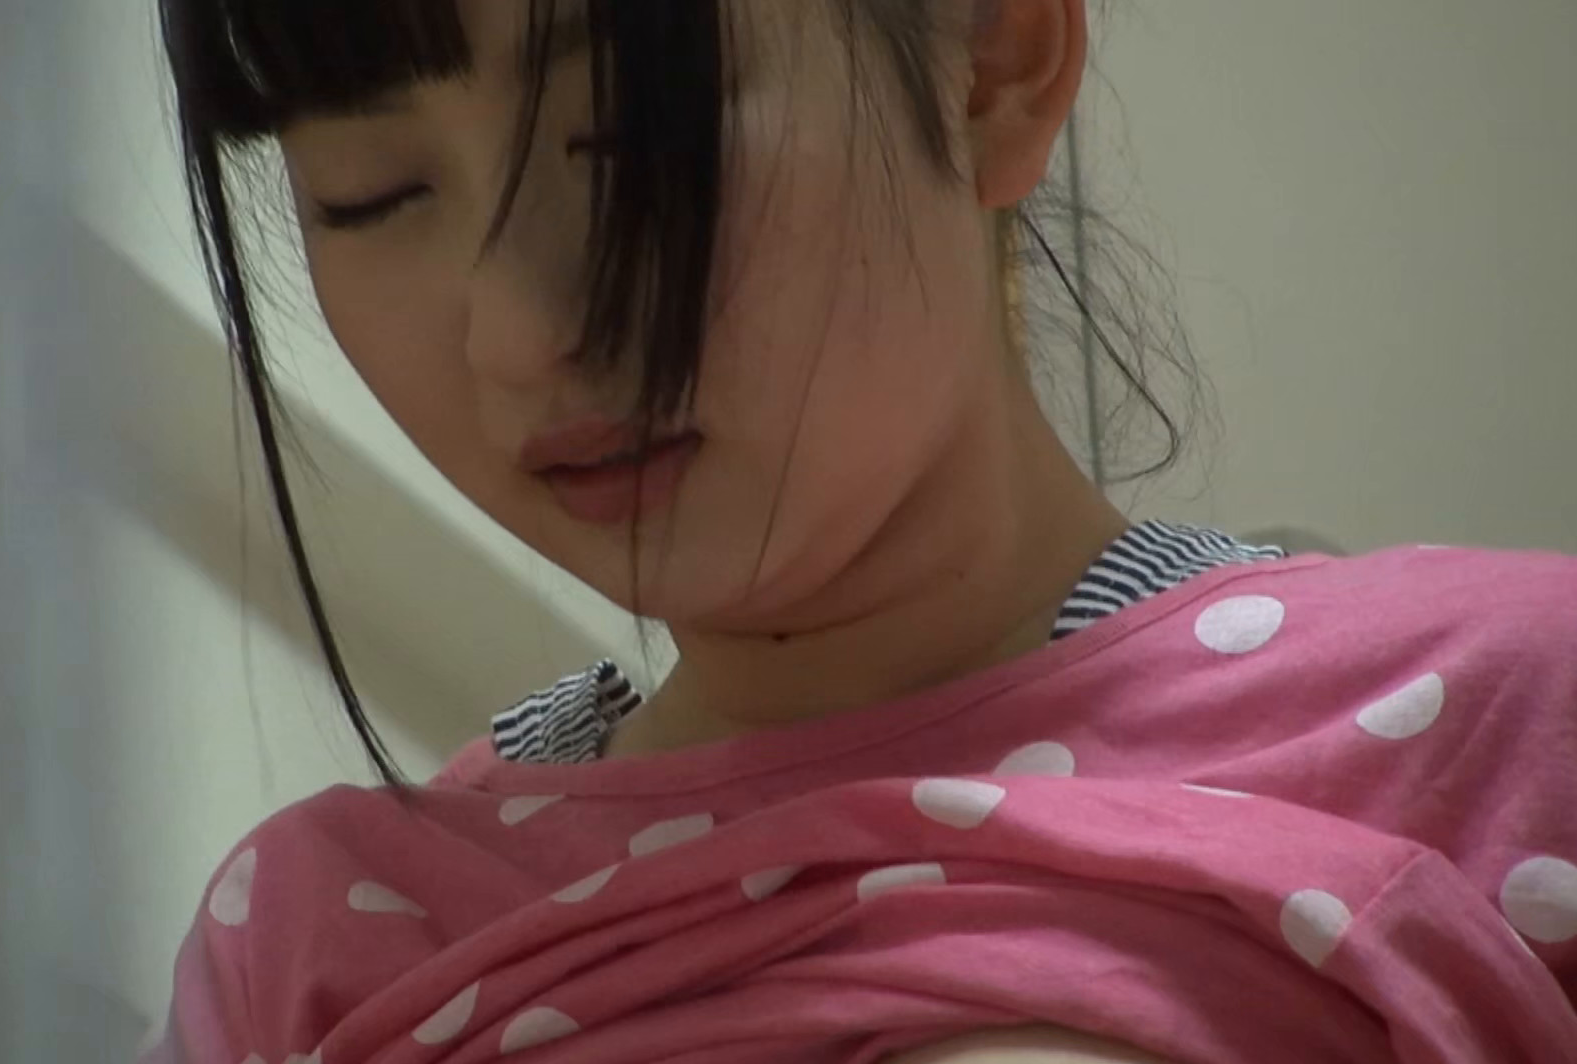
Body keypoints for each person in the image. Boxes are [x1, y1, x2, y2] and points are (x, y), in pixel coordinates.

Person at [140, 0, 1577, 1060]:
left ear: (995, 67)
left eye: (639, 132)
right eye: (370, 197)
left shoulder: (1514, 716)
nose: (518, 333)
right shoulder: (316, 939)